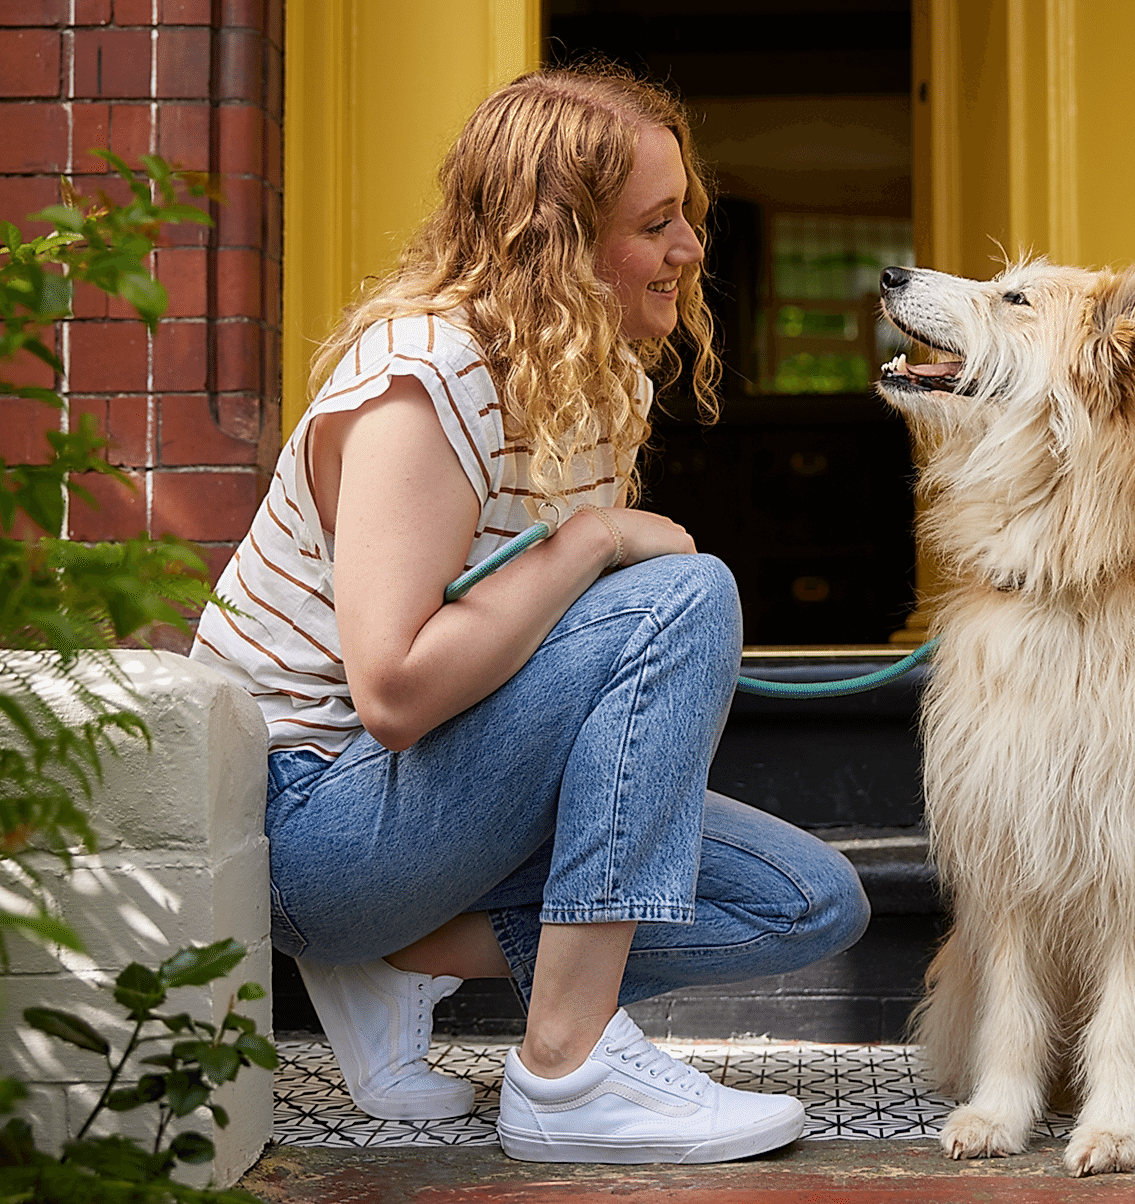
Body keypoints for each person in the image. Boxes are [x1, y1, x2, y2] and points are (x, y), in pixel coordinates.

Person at [189, 65, 869, 1164]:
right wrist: (591, 541)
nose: (692, 247)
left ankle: (396, 955)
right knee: (681, 594)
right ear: (555, 246)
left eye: (685, 214)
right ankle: (565, 1065)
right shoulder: (421, 380)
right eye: (657, 224)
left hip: (446, 803)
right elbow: (394, 689)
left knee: (806, 903)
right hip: (311, 816)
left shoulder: (597, 380)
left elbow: (551, 651)